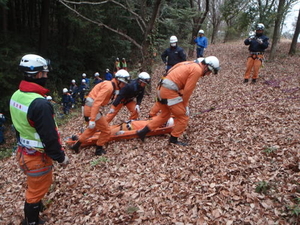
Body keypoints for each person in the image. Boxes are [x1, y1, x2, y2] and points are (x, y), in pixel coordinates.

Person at [9, 54, 69, 225]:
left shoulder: (16, 96)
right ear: (36, 75)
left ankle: (35, 209)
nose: (46, 76)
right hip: (36, 157)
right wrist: (60, 157)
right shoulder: (39, 104)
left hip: (23, 152)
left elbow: (19, 126)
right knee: (35, 192)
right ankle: (31, 221)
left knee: (35, 187)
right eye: (44, 73)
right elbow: (49, 136)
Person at [137, 56, 220, 146]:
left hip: (160, 88)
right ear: (207, 67)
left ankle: (143, 132)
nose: (208, 74)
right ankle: (173, 139)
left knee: (165, 115)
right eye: (209, 72)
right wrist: (185, 106)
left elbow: (172, 72)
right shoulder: (197, 70)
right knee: (184, 117)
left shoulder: (189, 64)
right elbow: (188, 91)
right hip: (168, 91)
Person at [70, 69, 130, 155]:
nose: (124, 86)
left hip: (89, 107)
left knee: (92, 130)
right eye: (123, 83)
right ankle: (99, 149)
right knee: (106, 131)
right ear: (117, 81)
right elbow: (97, 102)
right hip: (92, 108)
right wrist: (92, 119)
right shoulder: (109, 87)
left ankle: (77, 145)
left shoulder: (111, 86)